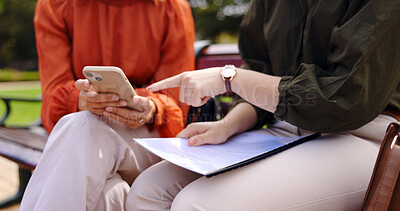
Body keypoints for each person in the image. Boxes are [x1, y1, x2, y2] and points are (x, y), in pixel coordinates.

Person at [128, 0, 400, 210]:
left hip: (365, 135)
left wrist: (230, 78)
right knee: (148, 191)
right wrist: (227, 124)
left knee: (196, 204)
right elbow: (260, 75)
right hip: (285, 127)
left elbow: (345, 98)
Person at [20, 0, 195, 210]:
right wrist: (81, 99)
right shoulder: (56, 5)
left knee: (82, 128)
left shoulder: (171, 7)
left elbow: (176, 99)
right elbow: (53, 92)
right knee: (109, 193)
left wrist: (151, 107)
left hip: (149, 137)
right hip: (81, 131)